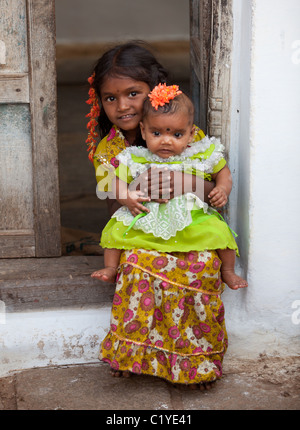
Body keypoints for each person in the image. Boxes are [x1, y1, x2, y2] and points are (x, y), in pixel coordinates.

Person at [86, 41, 234, 388]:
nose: (123, 106)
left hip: (189, 228)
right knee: (138, 270)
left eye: (133, 93)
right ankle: (133, 355)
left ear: (156, 91)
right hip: (139, 230)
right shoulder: (110, 148)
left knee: (200, 271)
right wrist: (131, 191)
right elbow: (106, 189)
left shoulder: (184, 132)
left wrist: (184, 182)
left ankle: (196, 362)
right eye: (110, 98)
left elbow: (212, 185)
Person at [92, 84, 247, 290]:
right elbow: (115, 181)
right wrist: (126, 196)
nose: (166, 141)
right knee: (115, 232)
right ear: (143, 131)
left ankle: (228, 271)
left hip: (191, 217)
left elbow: (223, 173)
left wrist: (222, 189)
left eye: (176, 135)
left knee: (219, 231)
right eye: (156, 133)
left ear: (191, 134)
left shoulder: (200, 153)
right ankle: (111, 268)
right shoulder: (136, 156)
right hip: (147, 214)